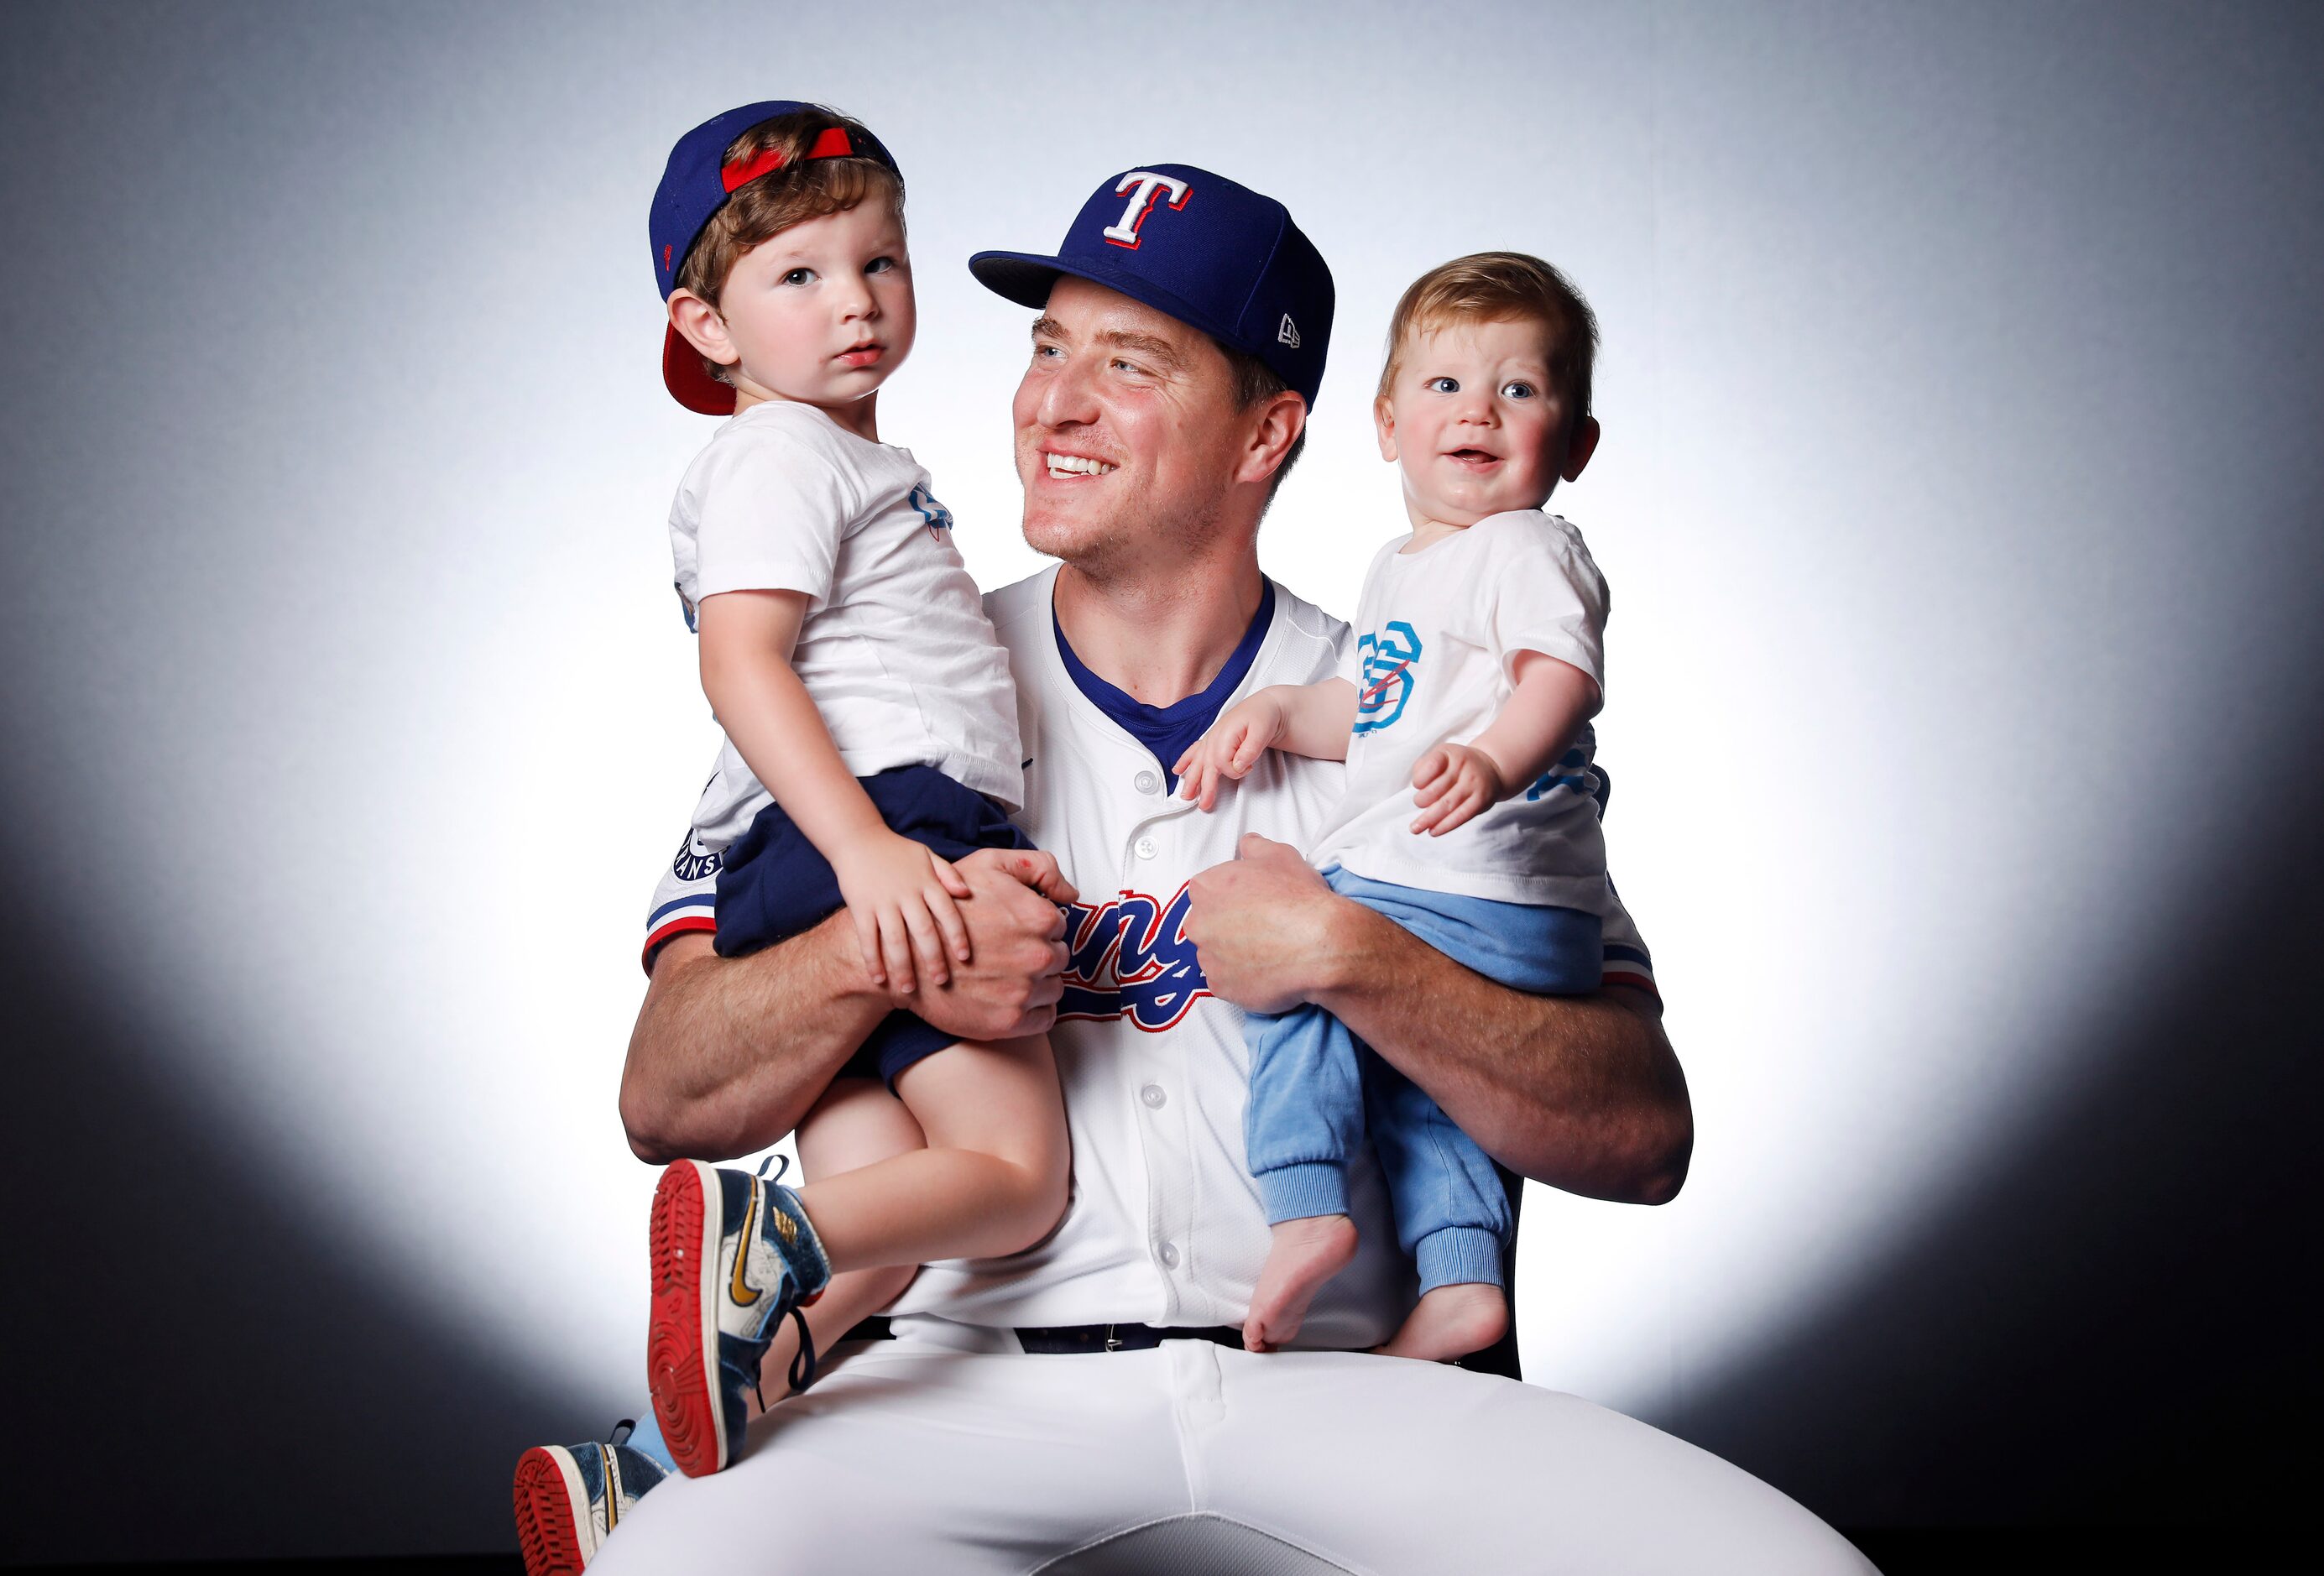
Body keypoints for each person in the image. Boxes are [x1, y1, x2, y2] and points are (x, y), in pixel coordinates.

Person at [546, 160, 1875, 1573]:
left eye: (1126, 364)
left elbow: (1640, 1132)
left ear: (1266, 434)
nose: (1051, 403)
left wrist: (1357, 959)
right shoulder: (894, 679)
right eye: (1046, 348)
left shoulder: (1442, 692)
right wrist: (892, 938)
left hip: (1355, 1385)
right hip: (955, 1382)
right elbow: (663, 1089)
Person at [512, 101, 1082, 1568]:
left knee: (887, 1235)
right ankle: (773, 1241)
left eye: (879, 263)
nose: (857, 303)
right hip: (882, 820)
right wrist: (875, 852)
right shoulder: (785, 458)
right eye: (800, 276)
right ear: (705, 325)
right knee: (1013, 1182)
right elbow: (742, 662)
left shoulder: (841, 459)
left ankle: (632, 1479)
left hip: (821, 851)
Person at [1175, 253, 1616, 1365]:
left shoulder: (1520, 547)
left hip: (1469, 879)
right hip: (1480, 893)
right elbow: (1377, 717)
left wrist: (1493, 759)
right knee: (1428, 1081)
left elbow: (1558, 675)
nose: (1478, 410)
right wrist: (1283, 709)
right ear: (1384, 423)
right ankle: (1463, 1274)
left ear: (1574, 445)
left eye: (1518, 390)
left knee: (1298, 983)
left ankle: (1303, 1199)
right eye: (1445, 386)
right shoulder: (1407, 567)